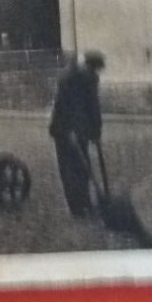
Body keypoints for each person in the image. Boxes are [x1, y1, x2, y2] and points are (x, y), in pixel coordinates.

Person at [49, 50, 105, 217]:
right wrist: (95, 131)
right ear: (94, 66)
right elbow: (91, 107)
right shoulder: (86, 78)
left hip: (65, 129)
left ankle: (79, 206)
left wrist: (94, 131)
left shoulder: (70, 75)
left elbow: (60, 105)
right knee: (77, 168)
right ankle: (81, 206)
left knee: (71, 169)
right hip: (70, 130)